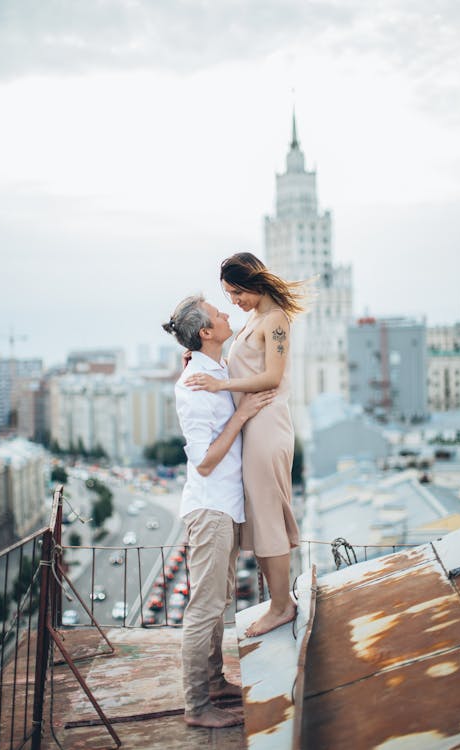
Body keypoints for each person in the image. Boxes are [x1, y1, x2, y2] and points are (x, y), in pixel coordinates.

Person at [162, 294, 275, 729]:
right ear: (207, 332)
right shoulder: (194, 386)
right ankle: (197, 707)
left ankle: (213, 682)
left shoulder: (212, 369)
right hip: (209, 510)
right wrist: (242, 414)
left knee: (218, 600)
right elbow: (205, 461)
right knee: (205, 609)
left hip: (223, 507)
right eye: (218, 313)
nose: (227, 313)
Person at [184, 252, 307, 638]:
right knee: (261, 513)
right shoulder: (255, 319)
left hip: (267, 427)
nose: (234, 302)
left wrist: (221, 386)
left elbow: (271, 376)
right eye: (229, 295)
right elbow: (240, 366)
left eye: (237, 292)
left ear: (254, 283)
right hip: (252, 427)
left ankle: (281, 606)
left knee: (268, 513)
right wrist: (197, 360)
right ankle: (279, 603)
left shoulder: (276, 321)